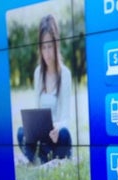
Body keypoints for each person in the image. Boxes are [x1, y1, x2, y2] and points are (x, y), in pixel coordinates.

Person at [17, 14, 72, 164]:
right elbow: (38, 111)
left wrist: (57, 128)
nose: (47, 53)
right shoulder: (38, 73)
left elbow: (66, 118)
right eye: (43, 47)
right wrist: (33, 128)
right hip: (42, 139)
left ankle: (41, 159)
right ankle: (45, 159)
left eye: (50, 47)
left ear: (56, 45)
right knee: (21, 132)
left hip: (58, 137)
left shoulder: (65, 74)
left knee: (65, 134)